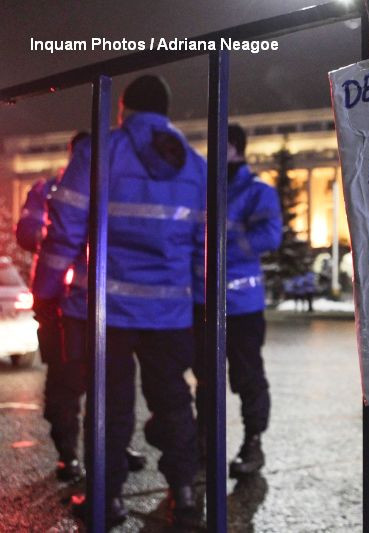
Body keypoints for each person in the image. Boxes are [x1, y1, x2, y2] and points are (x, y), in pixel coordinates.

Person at [32, 75, 206, 527]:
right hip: (169, 312)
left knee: (109, 406)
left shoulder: (99, 151)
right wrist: (201, 302)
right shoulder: (194, 165)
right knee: (172, 401)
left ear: (122, 110)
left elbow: (65, 229)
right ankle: (185, 492)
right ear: (166, 111)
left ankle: (105, 501)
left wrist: (46, 290)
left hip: (107, 309)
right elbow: (206, 244)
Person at [15, 132, 146, 483]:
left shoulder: (112, 190)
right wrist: (56, 234)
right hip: (56, 300)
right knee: (65, 379)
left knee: (114, 379)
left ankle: (113, 447)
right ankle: (68, 454)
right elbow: (27, 234)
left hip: (100, 300)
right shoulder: (48, 190)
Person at [194, 124, 281, 478]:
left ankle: (253, 444)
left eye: (216, 146)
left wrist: (221, 247)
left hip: (242, 305)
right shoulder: (204, 189)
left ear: (232, 147)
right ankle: (204, 445)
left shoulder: (257, 190)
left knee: (247, 377)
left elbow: (270, 236)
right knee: (205, 378)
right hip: (203, 301)